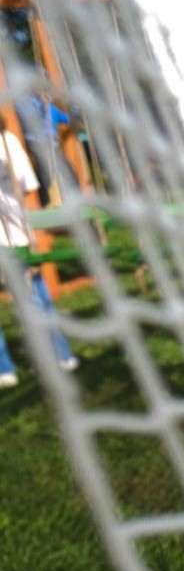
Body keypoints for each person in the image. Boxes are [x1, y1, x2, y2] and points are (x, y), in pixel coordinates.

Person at [0, 113, 78, 387]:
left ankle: (56, 355)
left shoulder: (8, 142)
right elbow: (28, 186)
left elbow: (27, 186)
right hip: (14, 232)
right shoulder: (8, 141)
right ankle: (8, 366)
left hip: (13, 235)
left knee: (35, 297)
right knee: (36, 297)